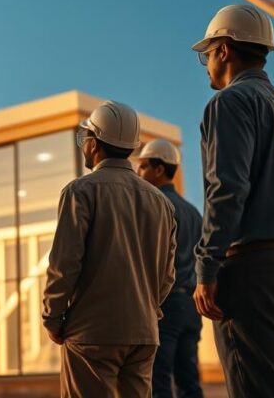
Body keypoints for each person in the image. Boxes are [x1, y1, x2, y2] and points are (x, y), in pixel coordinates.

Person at [189, 4, 274, 398]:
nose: (206, 64)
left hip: (255, 274)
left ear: (224, 49)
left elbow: (227, 190)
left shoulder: (229, 103)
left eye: (206, 54)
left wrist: (207, 267)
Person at [43, 100, 178, 398]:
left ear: (94, 143)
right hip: (143, 334)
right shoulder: (162, 203)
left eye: (85, 138)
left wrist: (53, 317)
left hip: (92, 332)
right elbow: (168, 274)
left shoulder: (80, 191)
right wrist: (146, 308)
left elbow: (65, 264)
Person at [137, 139, 204, 398]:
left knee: (159, 379)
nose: (139, 173)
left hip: (165, 304)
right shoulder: (193, 212)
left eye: (143, 166)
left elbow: (150, 258)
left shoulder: (155, 205)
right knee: (189, 380)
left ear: (159, 169)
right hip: (191, 305)